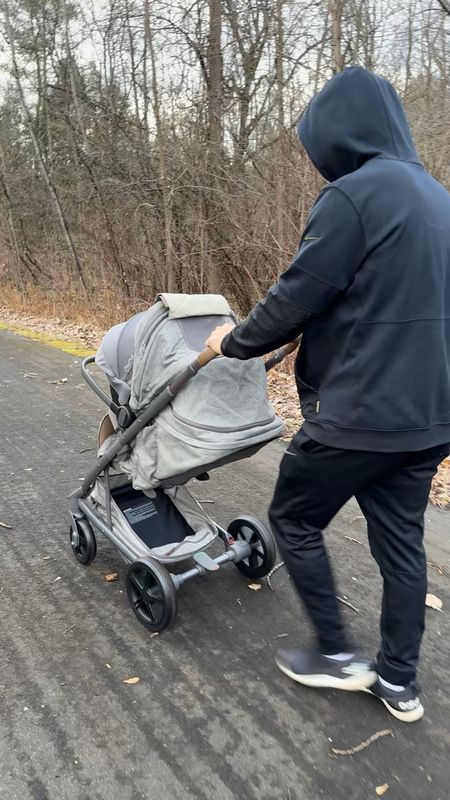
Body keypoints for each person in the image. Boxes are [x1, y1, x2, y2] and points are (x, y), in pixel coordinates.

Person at [206, 66, 450, 723]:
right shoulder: (435, 199)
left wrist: (235, 343)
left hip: (360, 415)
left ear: (339, 135)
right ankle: (399, 683)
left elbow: (297, 293)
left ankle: (338, 657)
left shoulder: (356, 195)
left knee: (294, 517)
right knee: (402, 545)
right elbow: (381, 302)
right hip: (429, 417)